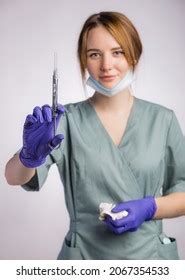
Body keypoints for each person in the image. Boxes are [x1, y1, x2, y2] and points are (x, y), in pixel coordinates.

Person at [5, 11, 185, 260]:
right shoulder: (65, 120)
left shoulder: (163, 119)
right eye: (94, 54)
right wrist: (28, 157)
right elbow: (13, 177)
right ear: (84, 60)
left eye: (117, 52)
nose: (106, 65)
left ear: (135, 54)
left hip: (150, 259)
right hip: (85, 259)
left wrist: (150, 207)